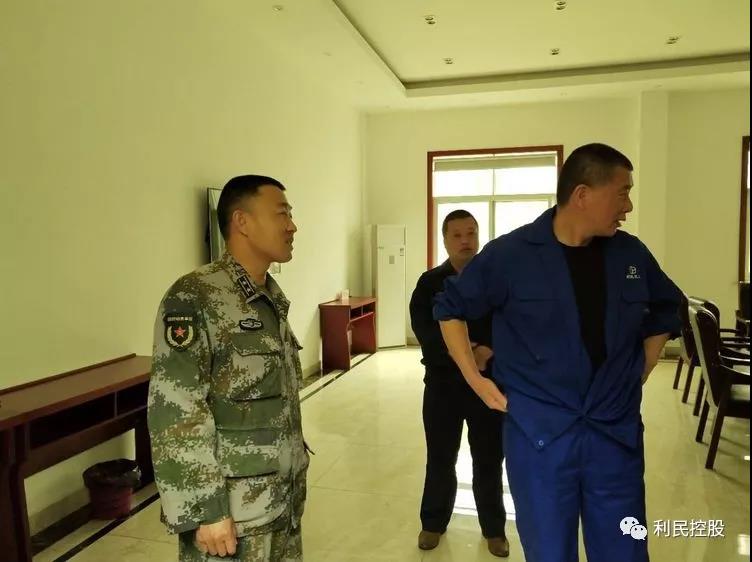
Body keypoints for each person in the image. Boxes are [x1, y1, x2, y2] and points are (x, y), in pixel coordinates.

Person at [435, 144, 682, 562]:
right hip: (540, 437)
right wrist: (474, 380)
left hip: (614, 433)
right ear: (583, 195)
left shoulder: (630, 254)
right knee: (549, 551)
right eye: (622, 193)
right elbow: (450, 308)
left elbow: (666, 304)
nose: (628, 206)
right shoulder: (512, 255)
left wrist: (646, 361)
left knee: (625, 549)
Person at [148, 175, 309, 562]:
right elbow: (177, 410)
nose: (292, 226)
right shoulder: (195, 296)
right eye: (282, 214)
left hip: (281, 503)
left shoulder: (269, 298)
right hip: (232, 518)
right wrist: (206, 510)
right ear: (242, 221)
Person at [409, 210, 509, 557]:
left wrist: (486, 352)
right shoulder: (430, 283)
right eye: (457, 235)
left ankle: (494, 529)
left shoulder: (495, 279)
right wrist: (468, 355)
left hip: (488, 387)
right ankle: (432, 523)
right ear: (445, 240)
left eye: (471, 233)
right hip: (443, 386)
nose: (465, 241)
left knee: (489, 459)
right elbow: (426, 331)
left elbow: (507, 323)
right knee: (440, 457)